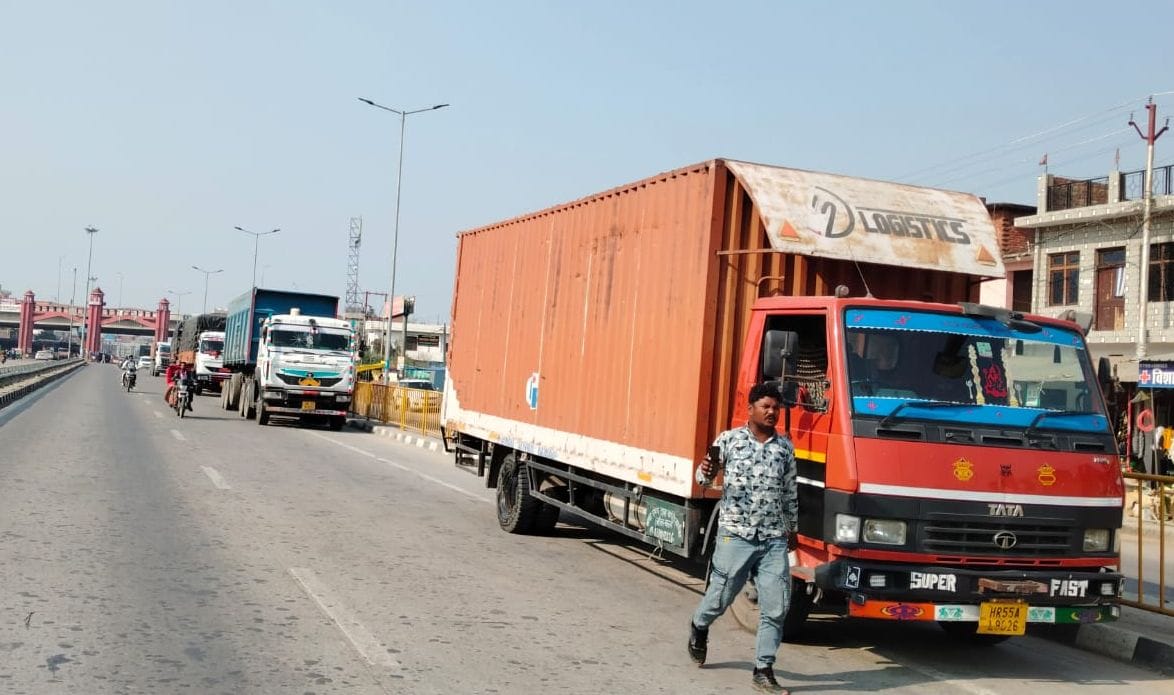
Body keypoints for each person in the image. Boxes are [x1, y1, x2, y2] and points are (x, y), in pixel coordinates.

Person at [688, 383, 799, 694]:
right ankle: (699, 625)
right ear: (750, 409)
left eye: (776, 408)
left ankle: (763, 670)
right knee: (721, 598)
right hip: (735, 534)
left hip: (773, 538)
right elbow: (702, 480)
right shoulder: (729, 441)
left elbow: (790, 493)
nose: (772, 412)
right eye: (765, 406)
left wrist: (792, 529)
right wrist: (707, 470)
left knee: (776, 606)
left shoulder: (785, 448)